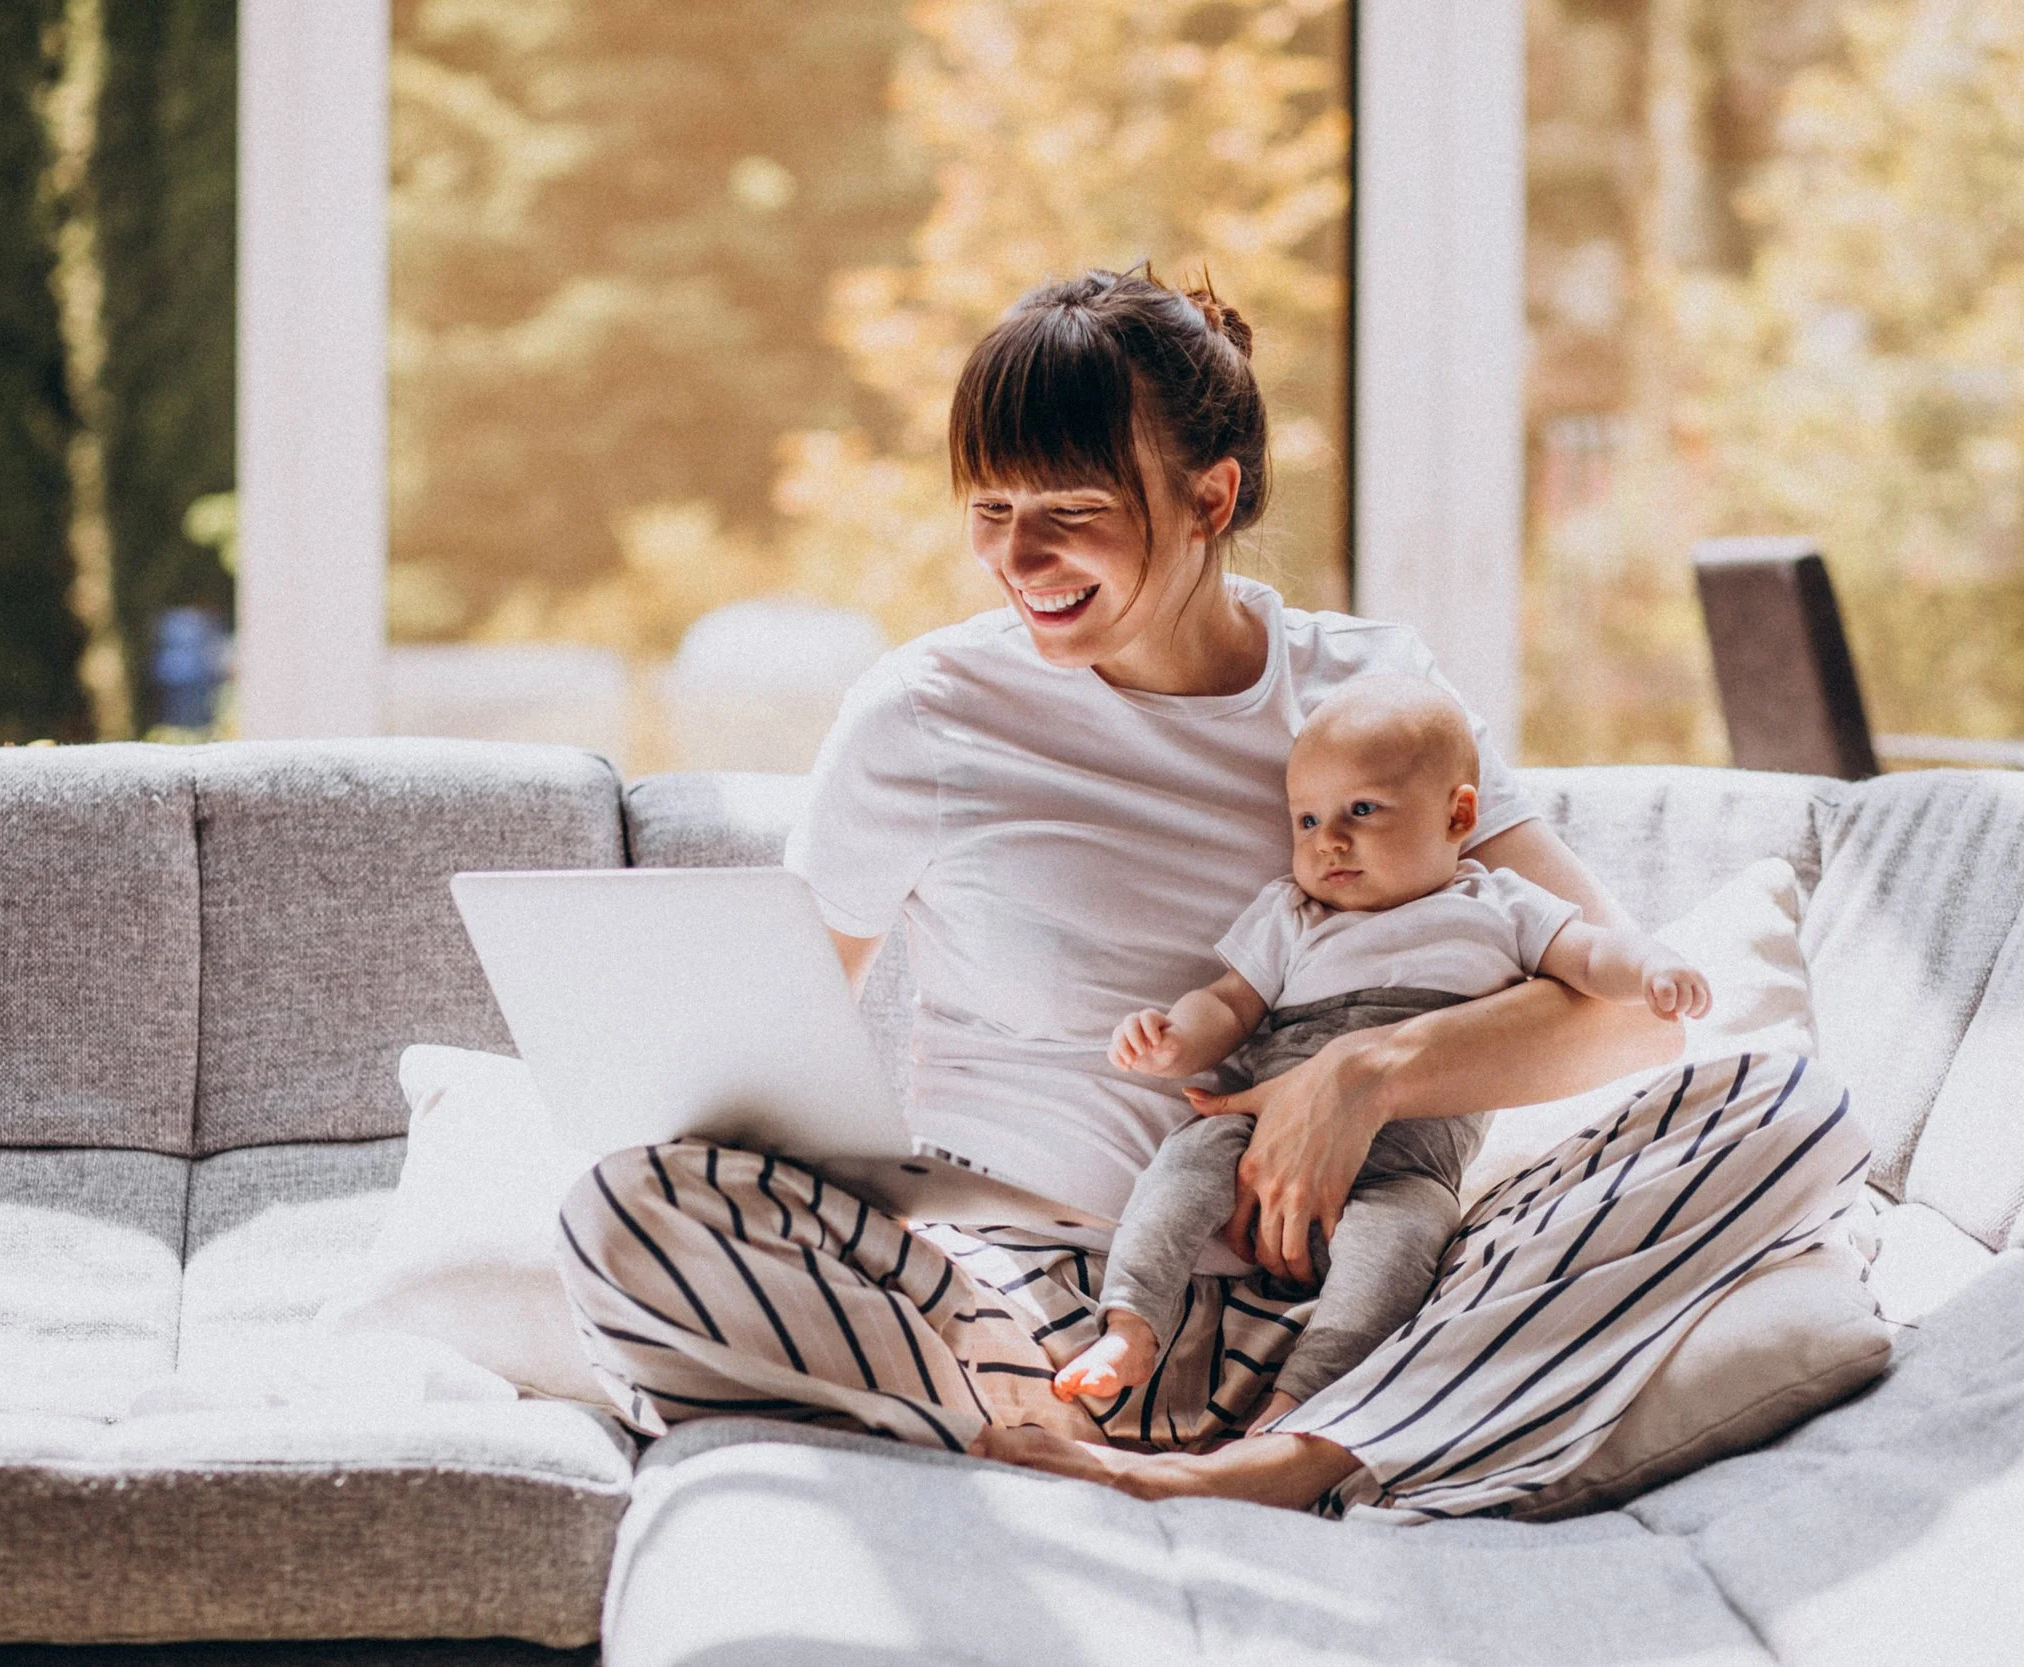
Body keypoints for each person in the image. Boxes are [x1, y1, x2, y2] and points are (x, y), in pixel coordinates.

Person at [556, 266, 1867, 1519]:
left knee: (1784, 1110)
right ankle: (1055, 1420)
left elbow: (1634, 1010)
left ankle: (1284, 1457)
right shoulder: (925, 712)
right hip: (1023, 1300)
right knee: (622, 1213)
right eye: (989, 508)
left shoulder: (1369, 698)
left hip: (1356, 1293)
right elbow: (777, 1055)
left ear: (1209, 493)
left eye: (1068, 505)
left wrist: (1362, 1077)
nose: (1019, 553)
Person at [1054, 669, 1714, 1432]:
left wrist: (1653, 968)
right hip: (1264, 1136)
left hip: (1408, 1165)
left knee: (1405, 1242)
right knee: (1191, 1154)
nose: (1328, 840)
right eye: (1307, 820)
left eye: (1362, 810)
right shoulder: (1295, 911)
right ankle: (1131, 1323)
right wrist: (1173, 1038)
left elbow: (1593, 958)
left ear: (1457, 813)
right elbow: (1232, 1001)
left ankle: (1298, 1404)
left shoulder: (1499, 906)